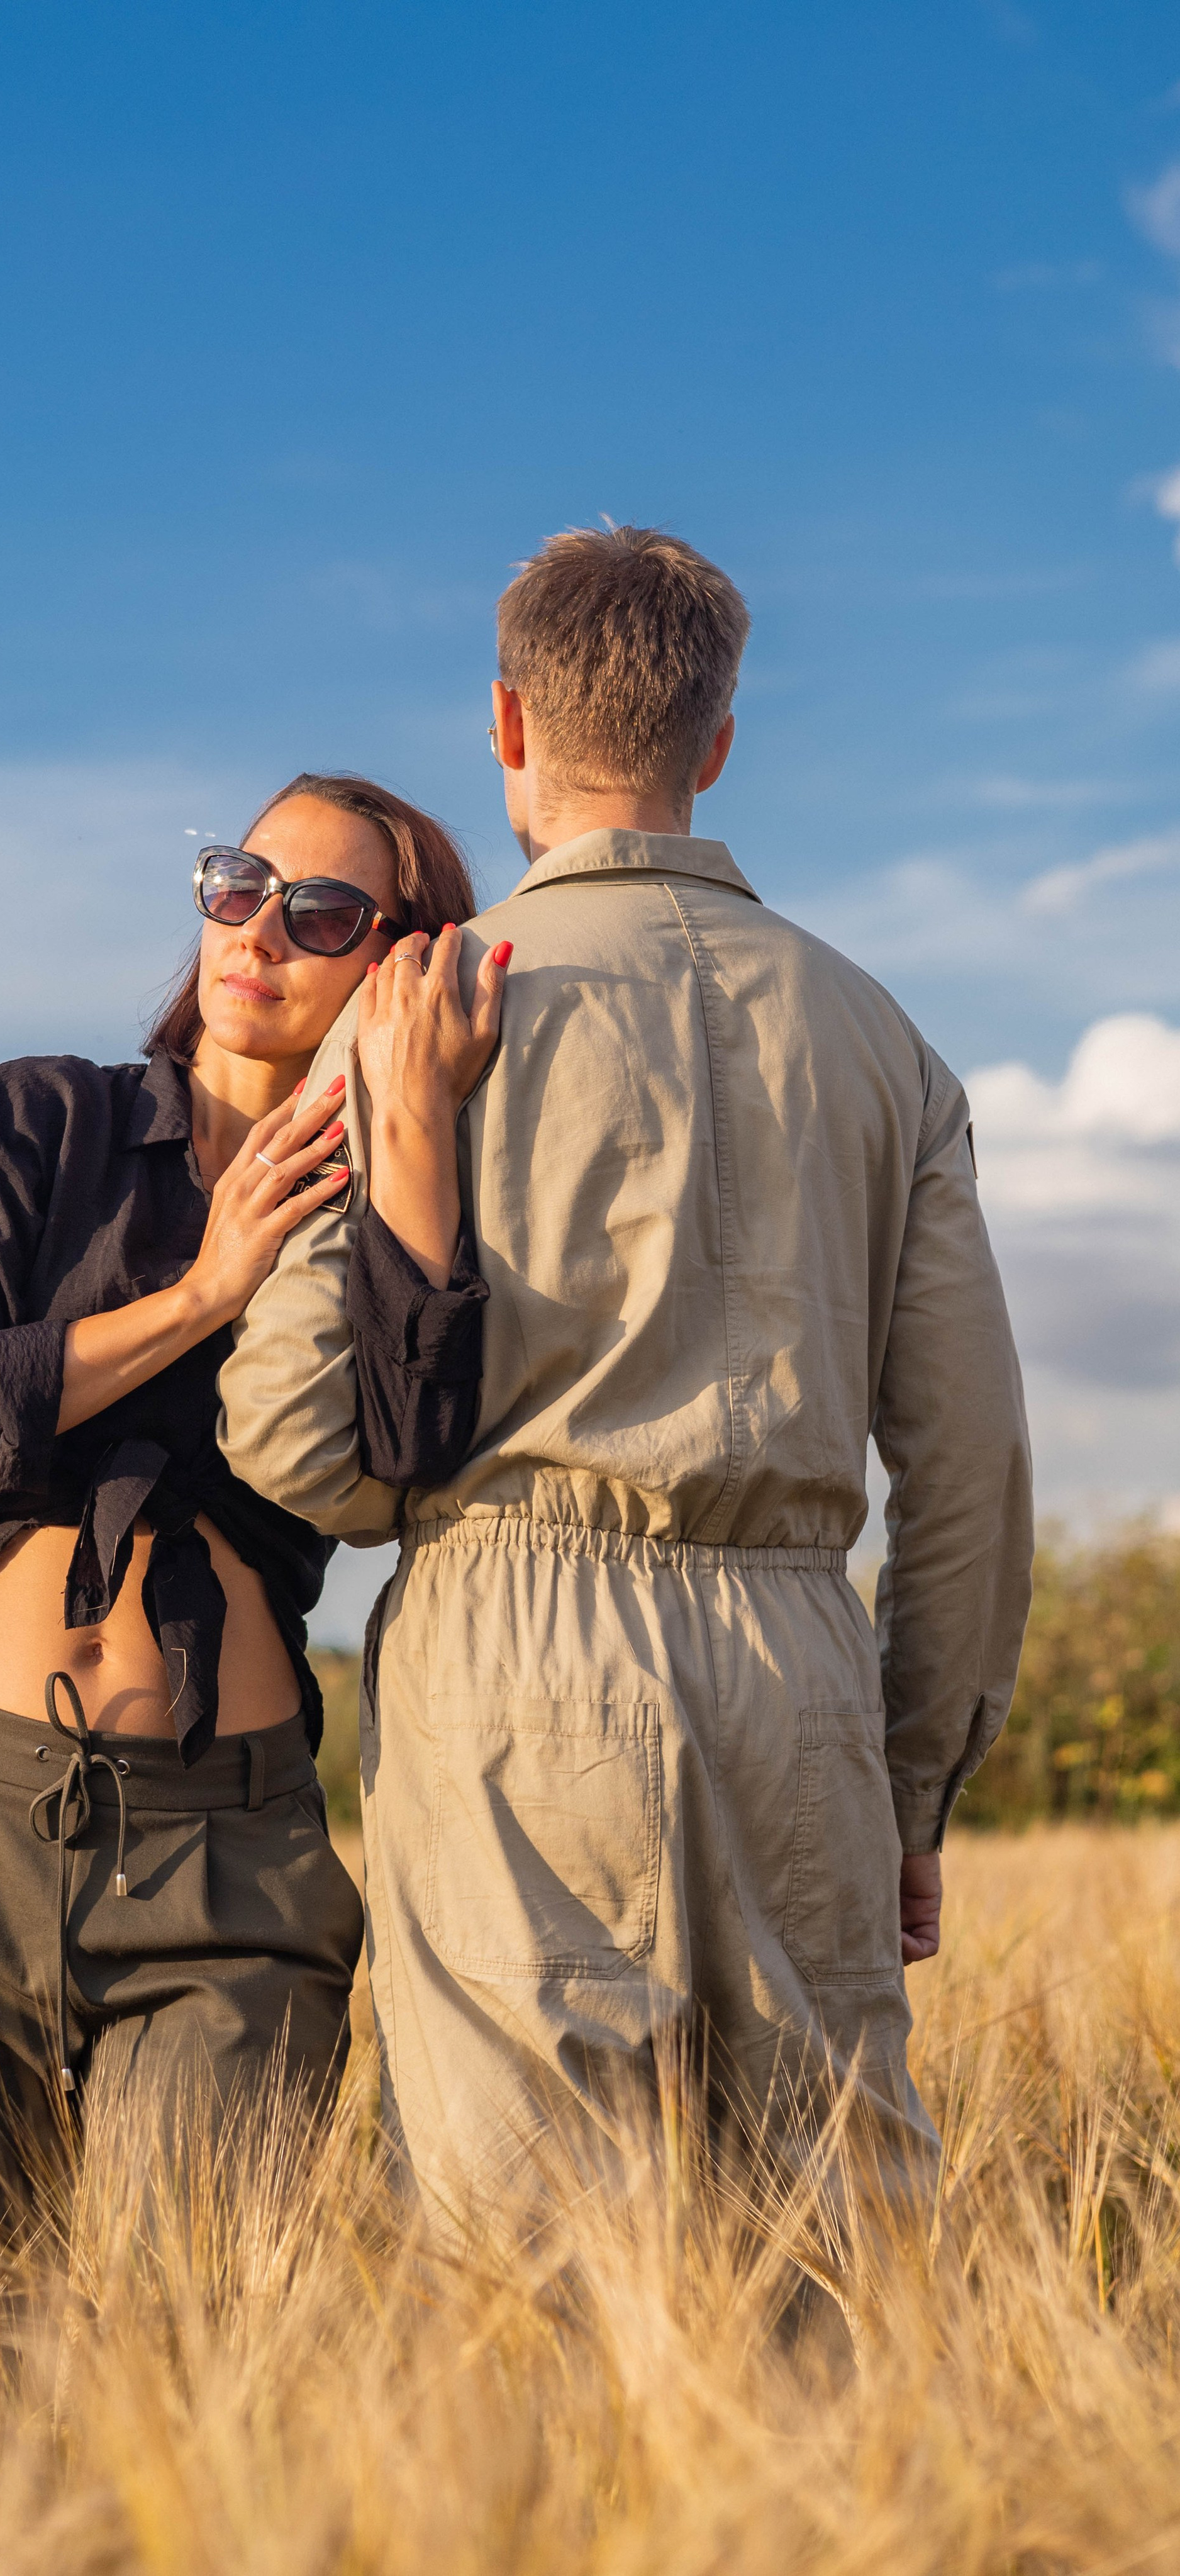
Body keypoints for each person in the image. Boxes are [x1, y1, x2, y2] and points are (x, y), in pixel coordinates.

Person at [217, 526, 1035, 2223]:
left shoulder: (418, 1012)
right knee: (834, 2257)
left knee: (527, 2276)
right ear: (718, 743)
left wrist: (414, 1485)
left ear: (507, 724)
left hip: (508, 1668)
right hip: (803, 1667)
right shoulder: (884, 1040)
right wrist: (915, 1779)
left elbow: (295, 1434)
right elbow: (970, 1471)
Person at [0, 771, 483, 2291]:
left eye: (322, 914)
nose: (258, 932)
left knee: (189, 2365)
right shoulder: (44, 1122)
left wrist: (412, 1137)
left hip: (227, 1856)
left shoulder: (400, 1209)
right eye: (239, 884)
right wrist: (201, 1297)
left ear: (395, 961)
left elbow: (412, 1467)